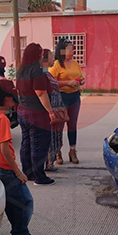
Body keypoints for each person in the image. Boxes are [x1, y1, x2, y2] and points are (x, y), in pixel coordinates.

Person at [0, 79, 42, 235]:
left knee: (14, 205)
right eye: (13, 98)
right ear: (8, 99)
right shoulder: (2, 120)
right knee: (25, 203)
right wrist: (18, 172)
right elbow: (5, 149)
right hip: (7, 171)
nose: (14, 101)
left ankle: (22, 233)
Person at [16, 43, 56, 186]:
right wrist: (50, 111)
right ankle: (40, 176)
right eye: (40, 53)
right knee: (39, 145)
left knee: (26, 143)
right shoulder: (36, 71)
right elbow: (41, 92)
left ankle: (27, 172)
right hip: (36, 113)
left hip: (23, 111)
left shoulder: (21, 70)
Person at [49, 38, 85, 164]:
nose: (72, 51)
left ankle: (72, 150)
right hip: (61, 98)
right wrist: (67, 83)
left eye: (72, 48)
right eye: (69, 48)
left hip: (74, 97)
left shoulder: (75, 64)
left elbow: (81, 77)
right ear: (62, 50)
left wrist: (81, 81)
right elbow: (51, 83)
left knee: (72, 124)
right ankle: (58, 152)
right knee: (59, 125)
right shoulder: (56, 65)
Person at [42, 49, 64, 172]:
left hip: (56, 108)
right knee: (50, 137)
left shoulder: (47, 72)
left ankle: (50, 161)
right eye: (51, 57)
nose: (54, 59)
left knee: (55, 136)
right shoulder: (42, 74)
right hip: (51, 110)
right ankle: (48, 163)